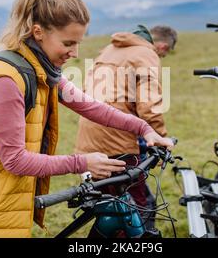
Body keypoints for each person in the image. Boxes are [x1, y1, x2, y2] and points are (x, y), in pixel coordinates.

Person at [0, 0, 173, 238]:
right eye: (67, 43)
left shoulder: (43, 71)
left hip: (4, 202)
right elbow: (15, 160)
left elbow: (91, 107)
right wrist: (82, 163)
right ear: (38, 32)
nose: (75, 53)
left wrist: (144, 128)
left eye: (78, 43)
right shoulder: (6, 80)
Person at [74, 24, 178, 231]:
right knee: (141, 205)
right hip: (116, 139)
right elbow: (150, 105)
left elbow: (85, 89)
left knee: (109, 205)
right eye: (164, 54)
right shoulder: (146, 54)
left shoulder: (109, 49)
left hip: (89, 134)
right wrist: (160, 140)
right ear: (163, 46)